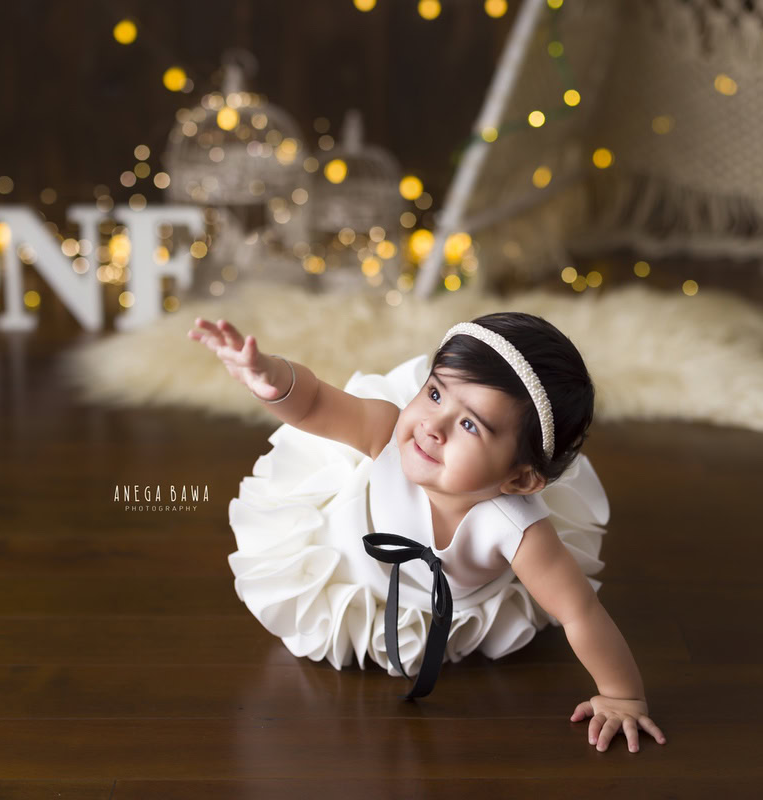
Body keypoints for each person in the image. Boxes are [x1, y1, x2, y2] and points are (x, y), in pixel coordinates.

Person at [189, 311, 667, 754]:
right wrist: (268, 376)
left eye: (468, 425)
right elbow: (314, 401)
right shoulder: (387, 431)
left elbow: (579, 611)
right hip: (354, 555)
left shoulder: (516, 529)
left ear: (519, 479)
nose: (432, 427)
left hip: (449, 600)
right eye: (435, 394)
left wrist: (622, 696)